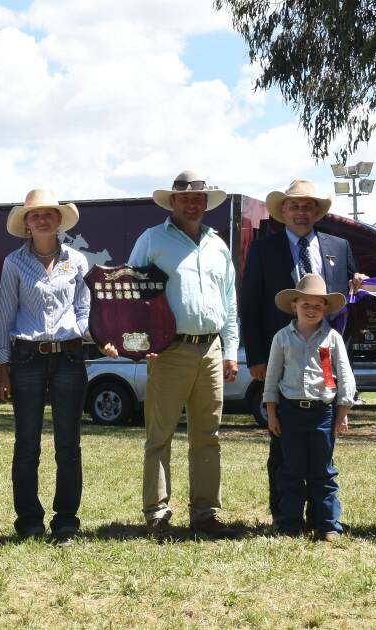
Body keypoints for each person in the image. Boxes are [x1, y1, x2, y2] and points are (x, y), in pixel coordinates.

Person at [103, 170, 239, 536]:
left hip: (211, 348)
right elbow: (130, 292)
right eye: (186, 199)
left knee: (207, 435)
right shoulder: (152, 239)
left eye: (199, 199)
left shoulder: (218, 244)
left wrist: (230, 350)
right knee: (159, 434)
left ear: (206, 204)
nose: (193, 204)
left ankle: (206, 513)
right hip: (167, 350)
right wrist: (136, 341)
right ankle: (157, 513)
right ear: (173, 202)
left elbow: (229, 302)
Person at [240, 179, 360, 529]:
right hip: (283, 359)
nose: (301, 211)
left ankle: (322, 517)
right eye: (294, 206)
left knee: (321, 450)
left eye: (308, 206)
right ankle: (285, 516)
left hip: (325, 364)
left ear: (317, 211)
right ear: (283, 211)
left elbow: (352, 300)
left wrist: (361, 282)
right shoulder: (264, 249)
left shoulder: (340, 246)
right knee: (282, 449)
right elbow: (250, 305)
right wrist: (258, 358)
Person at [0, 188, 90, 542]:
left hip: (69, 354)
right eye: (35, 215)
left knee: (68, 443)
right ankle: (29, 522)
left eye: (48, 213)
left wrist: (92, 335)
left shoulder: (77, 261)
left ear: (59, 220)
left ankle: (66, 522)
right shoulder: (15, 263)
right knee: (26, 443)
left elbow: (84, 308)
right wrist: (3, 367)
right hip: (27, 356)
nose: (42, 219)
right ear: (26, 224)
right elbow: (5, 315)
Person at [263, 274, 356, 541]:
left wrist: (342, 413)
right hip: (290, 412)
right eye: (306, 304)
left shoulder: (333, 338)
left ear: (325, 308)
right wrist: (272, 413)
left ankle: (327, 525)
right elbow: (271, 378)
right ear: (294, 305)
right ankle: (290, 524)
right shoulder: (282, 338)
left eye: (318, 305)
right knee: (290, 470)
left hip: (323, 413)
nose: (312, 310)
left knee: (323, 471)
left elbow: (344, 375)